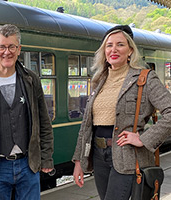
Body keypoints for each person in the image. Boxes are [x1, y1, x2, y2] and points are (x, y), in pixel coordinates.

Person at [72, 25, 171, 200]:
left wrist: (142, 138)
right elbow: (86, 125)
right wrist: (79, 160)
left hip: (128, 156)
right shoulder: (99, 81)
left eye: (120, 44)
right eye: (109, 45)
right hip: (99, 156)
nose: (114, 49)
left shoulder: (145, 78)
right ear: (104, 51)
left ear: (130, 50)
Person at [0, 24, 54, 200]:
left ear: (19, 49)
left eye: (12, 46)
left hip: (28, 163)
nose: (7, 52)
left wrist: (47, 157)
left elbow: (44, 121)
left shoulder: (31, 79)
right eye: (2, 47)